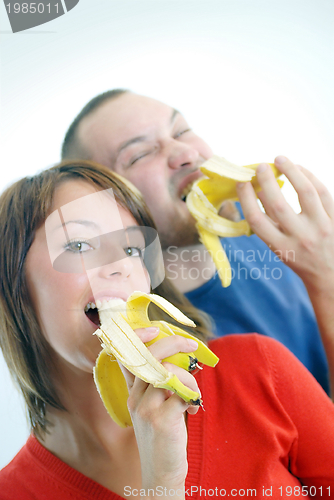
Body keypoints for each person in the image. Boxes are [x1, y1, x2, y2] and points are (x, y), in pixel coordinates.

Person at [0, 160, 333, 499]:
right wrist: (163, 486)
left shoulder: (258, 369)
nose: (120, 267)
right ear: (13, 282)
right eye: (79, 245)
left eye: (131, 249)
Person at [60, 89, 334, 394]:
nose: (185, 154)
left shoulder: (272, 225)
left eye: (181, 131)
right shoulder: (155, 352)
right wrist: (326, 280)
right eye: (139, 155)